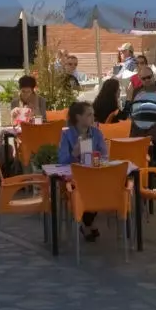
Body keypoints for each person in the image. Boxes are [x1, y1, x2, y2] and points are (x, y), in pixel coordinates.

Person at [58, 101, 109, 242]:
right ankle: (88, 224)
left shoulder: (97, 133)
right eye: (89, 115)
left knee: (101, 187)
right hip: (75, 178)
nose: (93, 118)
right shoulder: (67, 135)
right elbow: (62, 161)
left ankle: (87, 223)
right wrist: (74, 153)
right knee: (86, 189)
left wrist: (94, 157)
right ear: (78, 117)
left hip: (94, 175)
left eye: (93, 114)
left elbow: (105, 156)